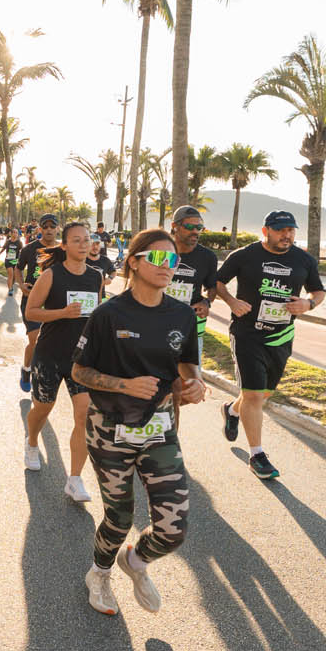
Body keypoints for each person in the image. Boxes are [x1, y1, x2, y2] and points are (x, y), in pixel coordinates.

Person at [71, 227, 207, 615]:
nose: (168, 266)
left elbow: (187, 362)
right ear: (134, 262)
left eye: (173, 260)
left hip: (159, 428)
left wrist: (195, 382)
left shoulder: (181, 313)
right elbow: (79, 371)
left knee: (173, 528)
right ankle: (98, 574)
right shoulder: (109, 314)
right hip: (109, 429)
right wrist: (124, 385)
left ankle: (135, 561)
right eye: (159, 258)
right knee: (119, 518)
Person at [212, 210, 326, 480]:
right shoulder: (244, 255)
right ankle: (257, 455)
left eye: (291, 230)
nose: (287, 235)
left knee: (262, 394)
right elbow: (217, 282)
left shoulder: (304, 260)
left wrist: (308, 303)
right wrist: (231, 302)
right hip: (247, 334)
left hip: (281, 337)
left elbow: (318, 291)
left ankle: (231, 410)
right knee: (253, 395)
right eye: (280, 230)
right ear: (266, 231)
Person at [23, 222, 103, 495]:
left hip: (81, 359)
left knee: (85, 414)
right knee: (42, 408)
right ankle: (32, 442)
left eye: (86, 239)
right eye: (76, 240)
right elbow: (32, 312)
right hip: (50, 355)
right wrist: (62, 313)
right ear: (65, 245)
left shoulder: (96, 276)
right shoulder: (51, 275)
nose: (83, 244)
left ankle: (75, 479)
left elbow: (96, 316)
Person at [164, 206, 219, 390]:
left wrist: (207, 302)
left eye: (199, 227)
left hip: (190, 324)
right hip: (158, 319)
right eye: (189, 226)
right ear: (175, 226)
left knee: (189, 385)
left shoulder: (207, 257)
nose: (195, 231)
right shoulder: (163, 252)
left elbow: (212, 287)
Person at [18, 215, 59, 393]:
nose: (49, 229)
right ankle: (27, 369)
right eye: (45, 226)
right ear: (40, 229)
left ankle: (41, 370)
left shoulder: (63, 250)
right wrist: (21, 285)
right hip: (31, 301)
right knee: (35, 339)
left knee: (49, 342)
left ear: (57, 228)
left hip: (54, 302)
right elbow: (18, 269)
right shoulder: (29, 249)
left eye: (52, 226)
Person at [2, 227, 24, 297]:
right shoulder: (8, 242)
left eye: (16, 233)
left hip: (15, 260)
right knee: (10, 274)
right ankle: (10, 289)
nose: (15, 234)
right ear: (11, 234)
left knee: (14, 276)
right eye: (13, 232)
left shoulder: (19, 242)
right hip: (8, 260)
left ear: (17, 234)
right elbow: (4, 248)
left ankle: (11, 284)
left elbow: (23, 251)